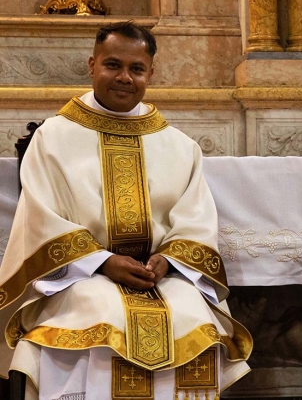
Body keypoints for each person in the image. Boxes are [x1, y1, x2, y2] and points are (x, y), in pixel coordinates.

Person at [0, 22, 252, 400]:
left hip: (158, 276)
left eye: (136, 69)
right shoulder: (52, 138)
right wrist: (102, 262)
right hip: (78, 275)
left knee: (191, 313)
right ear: (91, 65)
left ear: (151, 73)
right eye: (112, 65)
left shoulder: (178, 146)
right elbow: (41, 218)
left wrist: (168, 260)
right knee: (97, 310)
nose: (124, 77)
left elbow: (195, 217)